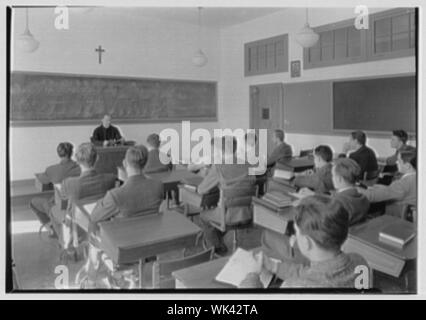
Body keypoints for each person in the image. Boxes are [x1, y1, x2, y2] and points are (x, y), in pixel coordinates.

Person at [239, 195, 369, 288]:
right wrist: (274, 266)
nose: (295, 237)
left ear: (307, 242)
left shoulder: (294, 287)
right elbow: (312, 273)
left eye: (296, 232)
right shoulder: (360, 263)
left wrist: (252, 275)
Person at [50, 142, 116, 258]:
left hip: (80, 219)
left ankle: (66, 244)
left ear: (76, 159)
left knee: (56, 211)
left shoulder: (69, 183)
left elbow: (64, 206)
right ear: (97, 158)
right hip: (101, 218)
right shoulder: (110, 179)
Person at [197, 136, 256, 255]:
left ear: (221, 149)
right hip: (247, 213)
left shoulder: (219, 166)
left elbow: (201, 190)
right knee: (217, 218)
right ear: (235, 148)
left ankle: (217, 247)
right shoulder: (248, 165)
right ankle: (217, 240)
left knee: (203, 216)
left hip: (227, 215)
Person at [90, 145, 164, 224]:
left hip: (124, 234)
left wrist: (101, 200)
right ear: (145, 164)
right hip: (152, 231)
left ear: (124, 163)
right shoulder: (158, 186)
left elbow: (94, 217)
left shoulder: (115, 195)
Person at [29, 142, 81, 235]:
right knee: (53, 199)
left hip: (62, 208)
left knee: (33, 202)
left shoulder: (51, 170)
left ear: (58, 153)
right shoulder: (80, 168)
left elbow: (41, 180)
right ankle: (55, 225)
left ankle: (51, 229)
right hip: (77, 205)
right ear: (72, 153)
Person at [358, 146, 416, 216]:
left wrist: (353, 189)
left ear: (407, 166)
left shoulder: (402, 184)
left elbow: (372, 196)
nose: (396, 163)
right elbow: (393, 191)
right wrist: (382, 188)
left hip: (395, 219)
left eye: (398, 161)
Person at [331, 158, 370, 225]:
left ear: (339, 178)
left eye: (332, 175)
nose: (332, 178)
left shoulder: (337, 202)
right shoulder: (364, 198)